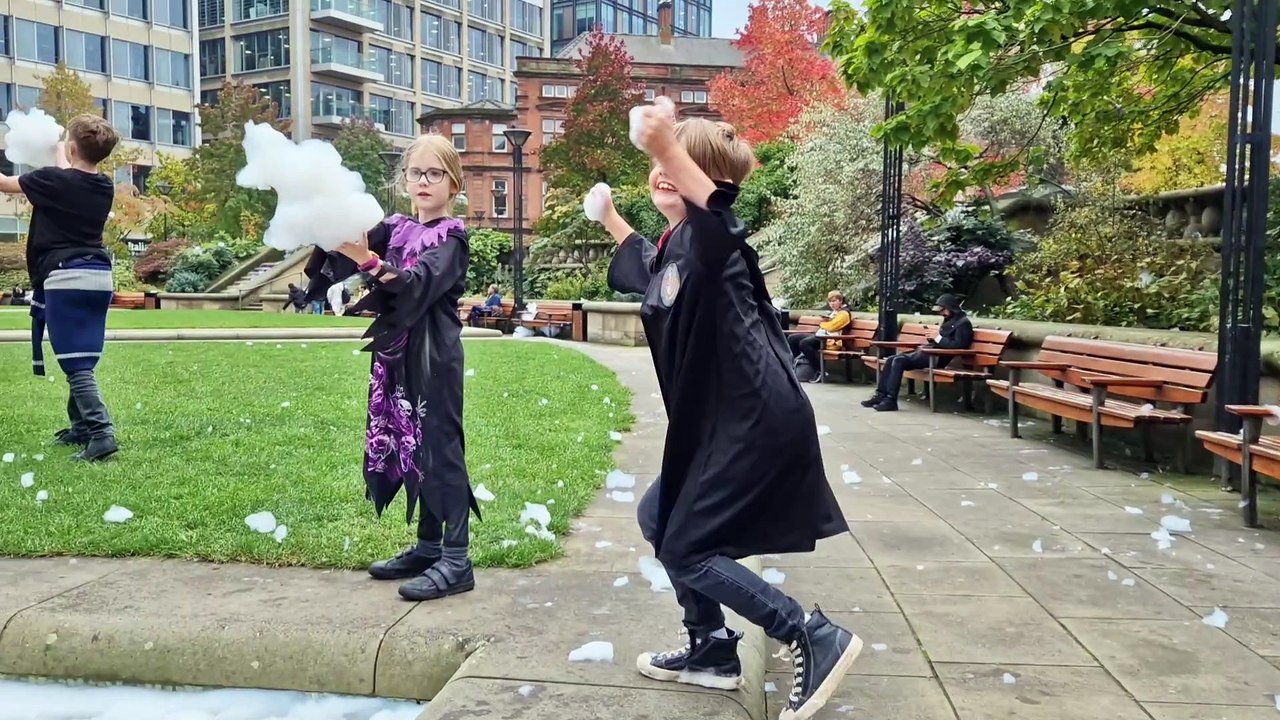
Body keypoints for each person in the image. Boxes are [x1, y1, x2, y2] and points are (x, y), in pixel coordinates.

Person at [588, 105, 861, 720]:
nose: (663, 170)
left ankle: (810, 635)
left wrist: (667, 142)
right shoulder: (678, 243)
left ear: (709, 180)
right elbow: (649, 273)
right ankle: (710, 649)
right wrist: (609, 219)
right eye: (658, 161)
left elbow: (717, 220)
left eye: (679, 163)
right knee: (660, 515)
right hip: (725, 420)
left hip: (753, 417)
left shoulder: (713, 243)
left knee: (686, 547)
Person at [301, 133, 479, 603]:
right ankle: (427, 547)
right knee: (410, 446)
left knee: (440, 450)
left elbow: (414, 285)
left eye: (434, 173)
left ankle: (457, 559)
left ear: (453, 183)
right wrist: (325, 222)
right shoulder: (396, 227)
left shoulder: (452, 239)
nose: (423, 181)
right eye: (415, 172)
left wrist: (368, 259)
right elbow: (342, 252)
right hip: (395, 353)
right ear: (404, 180)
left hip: (432, 355)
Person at [0, 115, 120, 461]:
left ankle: (101, 433)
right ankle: (81, 426)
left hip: (65, 276)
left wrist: (60, 153)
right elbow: (70, 173)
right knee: (79, 353)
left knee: (75, 361)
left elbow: (7, 183)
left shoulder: (54, 180)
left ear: (70, 147)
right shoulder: (104, 185)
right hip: (97, 277)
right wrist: (61, 149)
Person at [862, 293, 974, 412]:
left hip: (936, 357)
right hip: (929, 352)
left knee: (899, 361)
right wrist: (933, 338)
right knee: (891, 359)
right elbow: (944, 340)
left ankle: (891, 400)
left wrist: (938, 338)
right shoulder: (950, 319)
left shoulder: (963, 323)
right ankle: (880, 395)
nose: (941, 313)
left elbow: (959, 345)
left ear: (951, 308)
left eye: (943, 310)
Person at [787, 290, 852, 383]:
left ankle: (820, 370)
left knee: (804, 343)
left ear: (841, 301)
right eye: (830, 301)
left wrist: (823, 323)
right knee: (792, 338)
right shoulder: (835, 312)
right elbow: (829, 324)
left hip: (830, 340)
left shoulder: (844, 314)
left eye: (834, 301)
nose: (832, 304)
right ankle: (795, 365)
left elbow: (832, 326)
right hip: (822, 335)